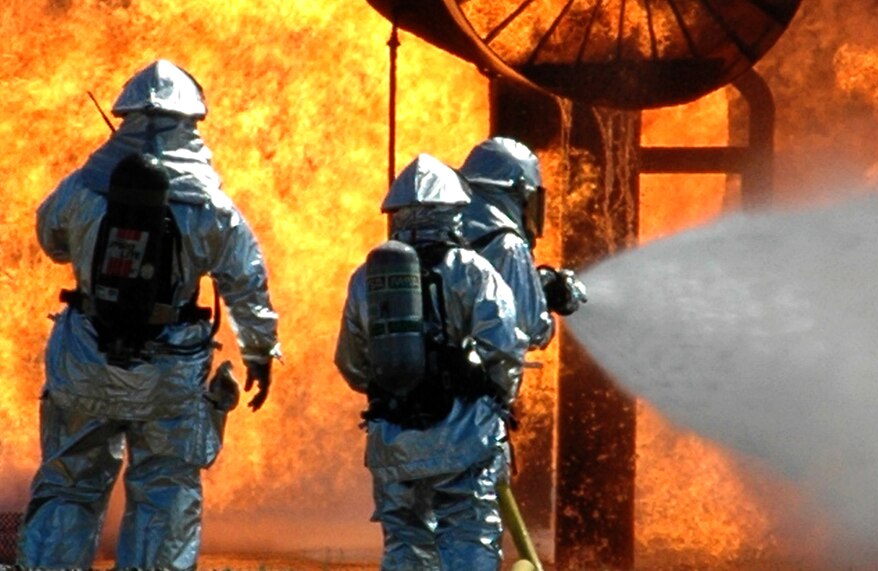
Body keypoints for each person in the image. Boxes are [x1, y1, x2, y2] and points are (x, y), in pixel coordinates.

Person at [17, 59, 280, 571]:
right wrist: (260, 353)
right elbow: (246, 283)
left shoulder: (82, 188)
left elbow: (50, 241)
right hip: (168, 373)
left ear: (125, 116)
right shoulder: (210, 206)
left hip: (84, 363)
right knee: (165, 490)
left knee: (70, 482)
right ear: (191, 123)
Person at [335, 153, 526, 570]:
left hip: (393, 442)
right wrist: (496, 398)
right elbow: (506, 350)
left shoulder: (365, 278)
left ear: (395, 216)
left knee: (405, 541)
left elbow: (351, 363)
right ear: (455, 211)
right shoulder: (474, 271)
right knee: (469, 533)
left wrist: (396, 386)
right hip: (464, 438)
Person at [459, 136, 586, 352]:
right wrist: (546, 298)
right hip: (478, 376)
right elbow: (530, 328)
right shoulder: (506, 243)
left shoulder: (448, 225)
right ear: (518, 193)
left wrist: (536, 283)